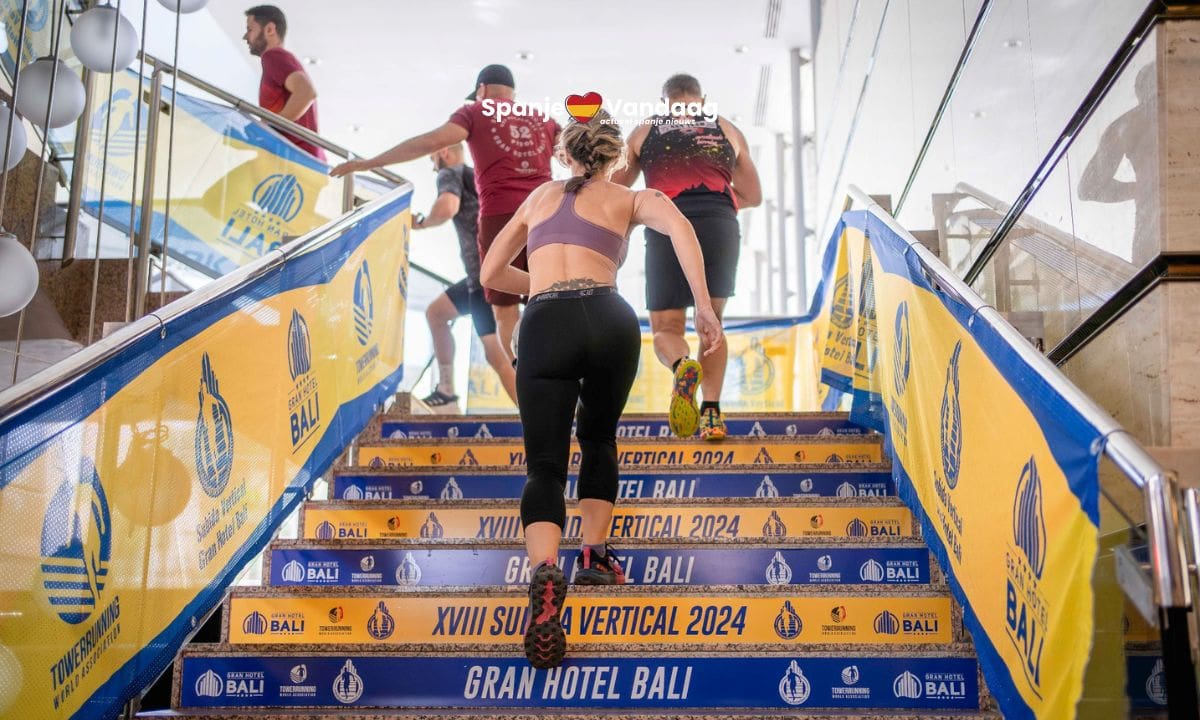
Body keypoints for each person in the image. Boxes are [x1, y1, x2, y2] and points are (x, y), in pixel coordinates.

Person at [480, 111, 724, 669]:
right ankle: (595, 553)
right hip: (609, 317)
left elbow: (493, 271)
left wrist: (540, 285)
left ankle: (546, 571)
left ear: (565, 155)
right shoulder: (630, 197)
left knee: (544, 465)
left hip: (544, 322)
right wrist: (704, 308)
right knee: (597, 438)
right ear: (614, 157)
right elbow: (681, 229)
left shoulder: (539, 197)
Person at [332, 64, 560, 360]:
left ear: (481, 91)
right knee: (548, 299)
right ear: (512, 93)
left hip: (500, 219)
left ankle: (529, 378)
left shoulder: (475, 112)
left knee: (505, 311)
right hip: (546, 214)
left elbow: (428, 142)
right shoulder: (544, 119)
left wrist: (367, 164)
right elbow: (580, 156)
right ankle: (560, 376)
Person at [613, 73, 761, 440]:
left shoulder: (647, 129)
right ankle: (711, 413)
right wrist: (719, 205)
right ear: (702, 98)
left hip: (666, 222)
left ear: (665, 101)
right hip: (719, 226)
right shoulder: (726, 128)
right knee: (713, 322)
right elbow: (753, 194)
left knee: (666, 326)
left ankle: (682, 366)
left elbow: (615, 190)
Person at [414, 143, 518, 409]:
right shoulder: (476, 177)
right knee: (436, 314)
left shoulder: (451, 172)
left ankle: (540, 422)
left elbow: (448, 206)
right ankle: (446, 390)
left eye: (432, 157)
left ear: (444, 151)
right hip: (484, 275)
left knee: (499, 356)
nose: (432, 165)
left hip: (485, 278)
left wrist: (423, 223)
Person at [243, 5, 324, 161]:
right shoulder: (280, 60)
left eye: (250, 29)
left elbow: (307, 93)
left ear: (270, 29)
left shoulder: (273, 56)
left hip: (297, 160)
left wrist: (267, 127)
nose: (245, 36)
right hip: (300, 159)